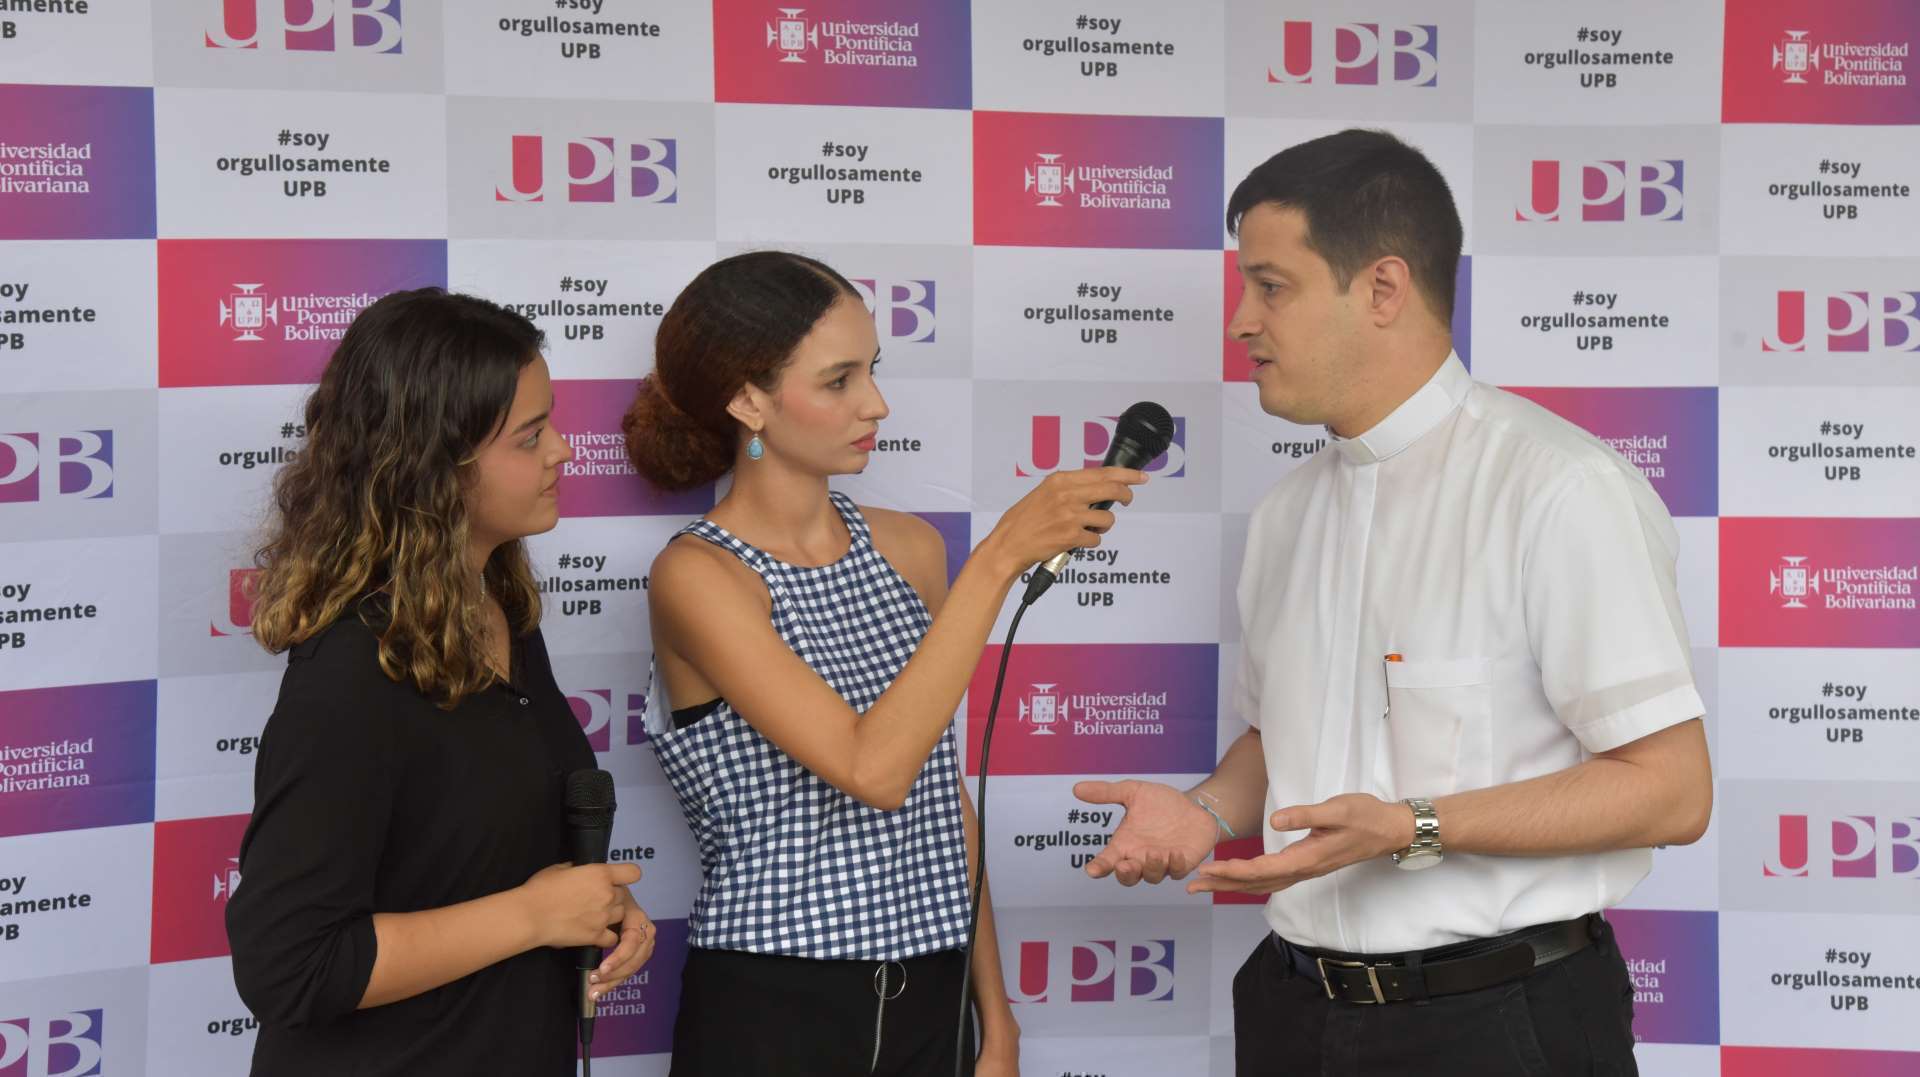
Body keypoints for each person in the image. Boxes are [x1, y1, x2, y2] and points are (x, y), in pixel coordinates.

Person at [1074, 129, 1714, 1075]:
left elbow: (1672, 787)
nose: (1241, 321)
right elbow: (1277, 740)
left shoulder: (1557, 488)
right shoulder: (1287, 511)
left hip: (1497, 1023)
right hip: (1294, 1011)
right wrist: (1206, 810)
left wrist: (1414, 824)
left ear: (1382, 288)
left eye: (1271, 285)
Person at [626, 251, 1145, 1076]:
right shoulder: (698, 575)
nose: (877, 403)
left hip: (933, 993)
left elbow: (941, 791)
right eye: (839, 380)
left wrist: (997, 1018)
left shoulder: (910, 549)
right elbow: (874, 766)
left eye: (873, 369)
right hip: (775, 1004)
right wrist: (1002, 555)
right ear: (747, 399)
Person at [226, 288, 657, 1076]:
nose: (564, 450)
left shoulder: (503, 611)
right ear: (435, 470)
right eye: (531, 436)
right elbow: (289, 963)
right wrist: (532, 915)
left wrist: (591, 903)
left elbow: (477, 858)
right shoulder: (353, 669)